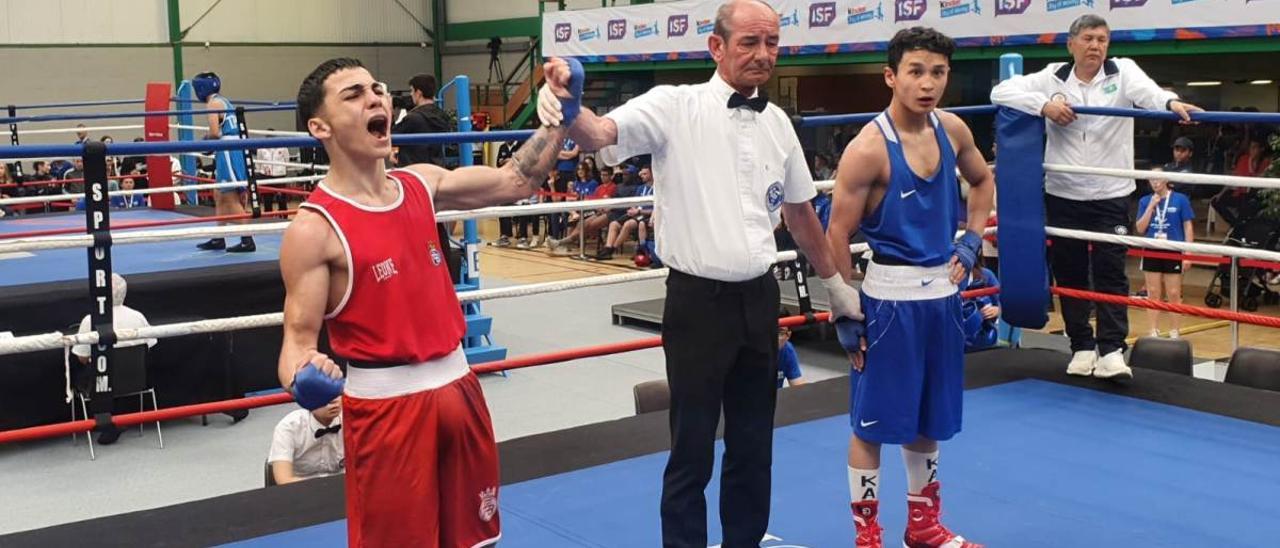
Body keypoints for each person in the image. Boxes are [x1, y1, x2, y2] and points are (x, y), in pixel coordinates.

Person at [537, 2, 864, 544]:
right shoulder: (673, 106)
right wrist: (569, 101)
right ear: (716, 47)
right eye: (749, 43)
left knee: (754, 445)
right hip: (696, 304)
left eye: (772, 43)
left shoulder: (779, 123)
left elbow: (802, 214)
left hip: (759, 301)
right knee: (691, 448)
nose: (763, 55)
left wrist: (837, 286)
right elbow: (598, 133)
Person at [277, 57, 574, 547]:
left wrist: (559, 113)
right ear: (319, 126)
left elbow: (515, 181)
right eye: (353, 94)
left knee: (478, 539)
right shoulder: (314, 229)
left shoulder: (422, 183)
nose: (375, 97)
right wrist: (303, 378)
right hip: (388, 409)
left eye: (377, 88)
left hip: (461, 390)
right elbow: (295, 343)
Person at [826, 27, 994, 548]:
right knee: (872, 425)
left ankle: (923, 527)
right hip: (888, 302)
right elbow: (836, 231)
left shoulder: (954, 130)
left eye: (938, 72)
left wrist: (971, 241)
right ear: (891, 76)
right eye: (916, 71)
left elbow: (983, 182)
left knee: (929, 419)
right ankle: (868, 537)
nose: (927, 84)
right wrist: (844, 309)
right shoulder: (868, 149)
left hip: (941, 296)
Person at [990, 14, 1201, 380]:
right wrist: (1043, 106)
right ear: (1071, 43)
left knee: (1110, 274)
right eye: (1088, 38)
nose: (1095, 46)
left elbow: (1151, 93)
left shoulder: (1124, 71)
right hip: (1064, 194)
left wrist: (1171, 103)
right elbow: (1000, 92)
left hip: (1110, 194)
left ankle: (1112, 350)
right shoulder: (1052, 77)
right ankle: (1082, 346)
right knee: (1070, 273)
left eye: (1102, 39)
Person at [71, 273, 158, 445]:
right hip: (136, 378)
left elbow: (81, 358)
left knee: (82, 373)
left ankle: (105, 421)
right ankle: (114, 417)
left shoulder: (90, 320)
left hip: (102, 382)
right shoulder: (138, 316)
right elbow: (150, 345)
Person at [191, 72, 257, 253]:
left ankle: (247, 239)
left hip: (228, 150)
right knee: (219, 194)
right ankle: (218, 238)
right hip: (231, 148)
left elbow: (213, 132)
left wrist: (205, 141)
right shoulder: (224, 101)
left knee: (230, 197)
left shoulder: (213, 104)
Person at [1136, 168, 1195, 338]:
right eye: (1151, 179)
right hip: (1151, 248)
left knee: (1174, 293)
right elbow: (1140, 228)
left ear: (1166, 179)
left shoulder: (1180, 199)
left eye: (1158, 178)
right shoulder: (1145, 200)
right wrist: (1151, 207)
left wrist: (1188, 252)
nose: (1155, 182)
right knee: (1153, 291)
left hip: (1173, 249)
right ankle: (1153, 330)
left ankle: (1175, 330)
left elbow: (1187, 226)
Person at [268, 398, 344, 485]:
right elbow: (284, 480)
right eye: (324, 394)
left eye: (337, 393)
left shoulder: (354, 420)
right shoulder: (289, 426)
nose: (333, 401)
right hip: (300, 490)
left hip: (345, 487)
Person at [391, 74, 451, 166]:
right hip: (437, 169)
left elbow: (390, 136)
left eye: (411, 90)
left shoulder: (413, 119)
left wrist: (390, 112)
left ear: (418, 93)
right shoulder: (442, 117)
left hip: (415, 171)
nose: (410, 94)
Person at [958, 258, 1001, 352]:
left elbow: (1004, 302)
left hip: (986, 334)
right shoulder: (945, 281)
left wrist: (998, 310)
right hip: (958, 336)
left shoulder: (986, 274)